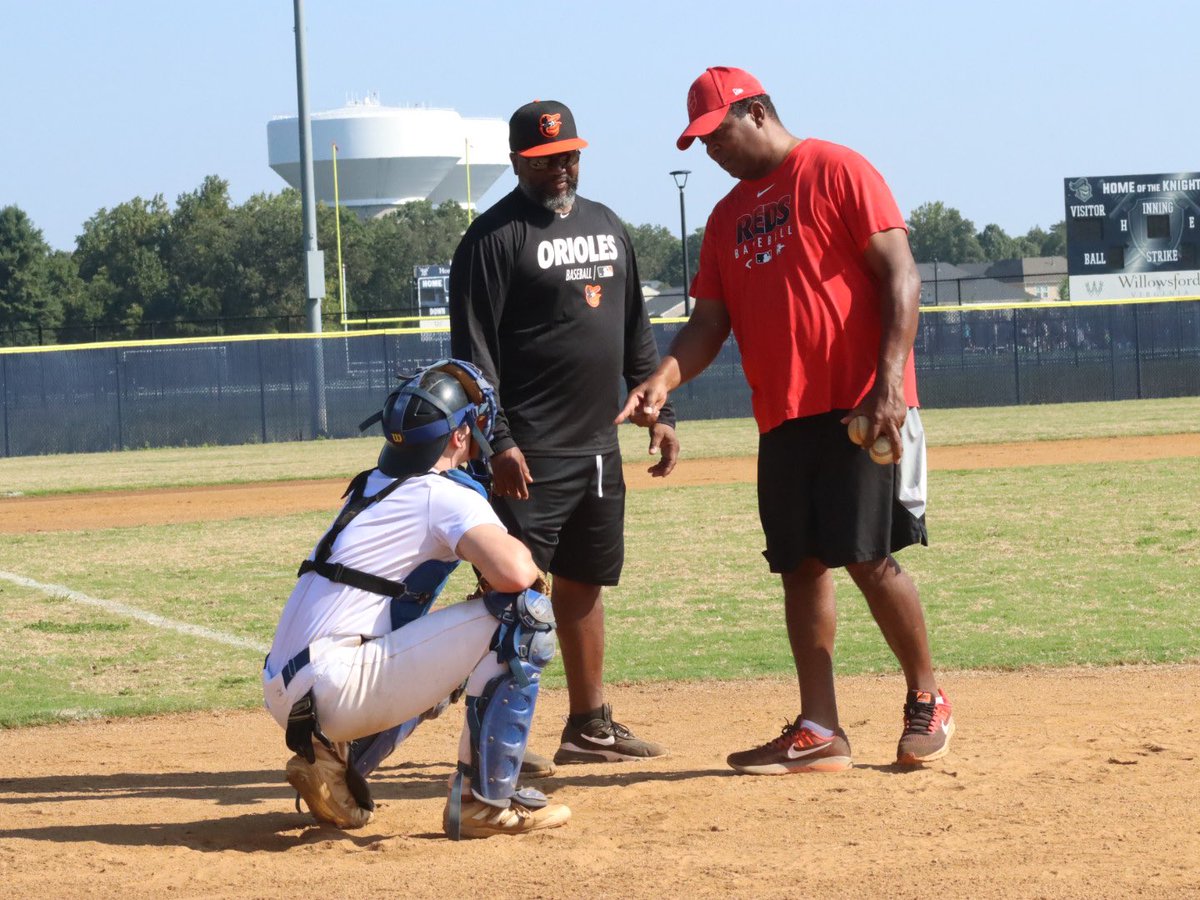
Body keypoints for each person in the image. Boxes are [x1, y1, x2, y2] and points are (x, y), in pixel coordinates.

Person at [619, 67, 954, 773]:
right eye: (701, 142)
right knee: (799, 566)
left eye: (718, 133)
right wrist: (661, 379)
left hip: (860, 403)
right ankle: (820, 727)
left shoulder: (836, 169)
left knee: (868, 554)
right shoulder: (725, 218)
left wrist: (889, 385)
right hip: (783, 412)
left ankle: (928, 697)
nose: (711, 150)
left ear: (759, 111)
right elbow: (710, 322)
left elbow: (902, 275)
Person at [449, 99, 678, 767]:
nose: (562, 165)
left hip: (598, 448)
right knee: (510, 593)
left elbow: (635, 330)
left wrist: (658, 412)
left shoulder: (608, 227)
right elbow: (474, 357)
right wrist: (499, 442)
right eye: (548, 158)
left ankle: (589, 725)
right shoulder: (492, 240)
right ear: (519, 161)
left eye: (570, 153)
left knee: (583, 583)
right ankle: (487, 737)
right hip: (532, 451)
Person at [262, 359, 570, 839]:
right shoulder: (443, 493)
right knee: (522, 615)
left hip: (289, 688)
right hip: (336, 688)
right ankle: (483, 803)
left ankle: (333, 768)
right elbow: (517, 574)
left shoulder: (371, 484)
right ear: (459, 437)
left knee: (443, 647)